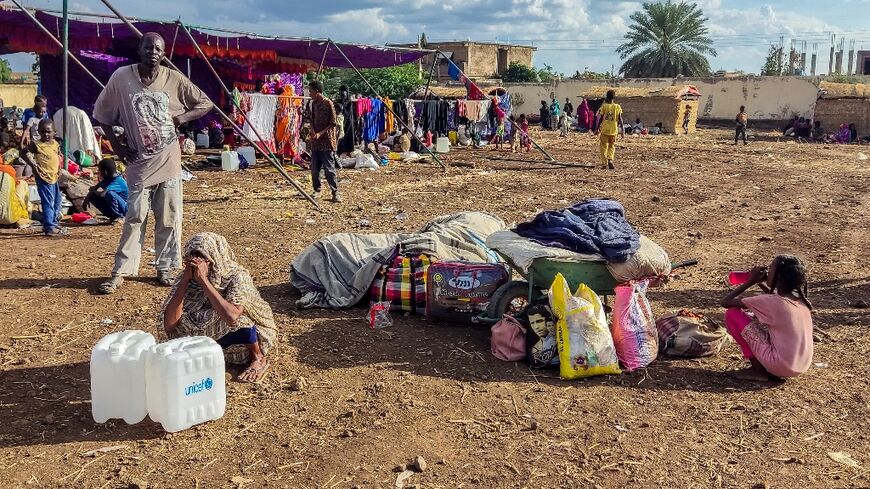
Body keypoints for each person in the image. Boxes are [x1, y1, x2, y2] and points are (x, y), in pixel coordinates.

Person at [93, 32, 213, 294]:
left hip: (168, 161)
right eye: (148, 47)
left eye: (158, 49)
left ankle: (165, 268)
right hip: (138, 162)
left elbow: (205, 103)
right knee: (134, 216)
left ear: (164, 53)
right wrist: (118, 147)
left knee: (169, 217)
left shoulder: (173, 78)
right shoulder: (122, 78)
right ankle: (120, 272)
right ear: (140, 49)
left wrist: (181, 118)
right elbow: (102, 114)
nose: (153, 52)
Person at [161, 232, 277, 382]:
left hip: (249, 333)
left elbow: (232, 316)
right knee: (183, 326)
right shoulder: (187, 277)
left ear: (215, 258)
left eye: (203, 258)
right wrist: (184, 281)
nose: (197, 263)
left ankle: (257, 357)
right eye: (192, 257)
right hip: (212, 334)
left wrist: (204, 281)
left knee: (239, 320)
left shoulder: (237, 276)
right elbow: (170, 324)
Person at [720, 255, 813, 381]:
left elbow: (726, 302)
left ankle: (757, 371)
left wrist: (750, 282)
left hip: (780, 365)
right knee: (754, 317)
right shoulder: (800, 300)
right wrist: (760, 282)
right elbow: (774, 298)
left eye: (770, 269)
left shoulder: (772, 302)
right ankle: (764, 367)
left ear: (778, 277)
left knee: (733, 314)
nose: (767, 272)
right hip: (800, 365)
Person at [20, 119, 67, 236]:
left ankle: (53, 222)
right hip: (43, 177)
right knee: (48, 202)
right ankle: (49, 227)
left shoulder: (55, 143)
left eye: (48, 132)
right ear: (39, 132)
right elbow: (23, 153)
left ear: (54, 132)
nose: (46, 135)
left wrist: (59, 169)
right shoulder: (36, 145)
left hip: (54, 177)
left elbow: (56, 156)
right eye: (43, 132)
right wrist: (33, 165)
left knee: (57, 201)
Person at [307, 80, 341, 203]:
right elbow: (310, 119)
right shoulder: (312, 104)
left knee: (329, 169)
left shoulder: (328, 103)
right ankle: (317, 190)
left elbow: (333, 123)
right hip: (315, 142)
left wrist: (320, 133)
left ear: (317, 91)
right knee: (314, 169)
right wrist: (312, 130)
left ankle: (335, 192)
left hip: (326, 142)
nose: (309, 93)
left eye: (310, 91)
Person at [84, 158, 128, 222]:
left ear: (105, 172)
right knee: (92, 196)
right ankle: (112, 215)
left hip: (126, 208)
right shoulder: (107, 179)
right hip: (116, 206)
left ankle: (119, 216)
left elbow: (102, 194)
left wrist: (93, 191)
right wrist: (85, 202)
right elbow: (94, 188)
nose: (99, 172)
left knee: (109, 194)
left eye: (100, 170)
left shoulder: (118, 181)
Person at [594, 89, 623, 170]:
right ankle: (610, 159)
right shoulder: (617, 107)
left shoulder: (604, 106)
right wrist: (622, 130)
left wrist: (597, 129)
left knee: (603, 147)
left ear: (607, 97)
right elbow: (620, 119)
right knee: (611, 146)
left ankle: (604, 163)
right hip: (614, 130)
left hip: (605, 130)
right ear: (614, 97)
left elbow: (600, 119)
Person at [335, 85, 356, 155]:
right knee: (340, 135)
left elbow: (347, 112)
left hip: (348, 122)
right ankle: (340, 151)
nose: (342, 94)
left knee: (347, 135)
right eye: (340, 93)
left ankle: (347, 152)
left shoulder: (349, 102)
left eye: (343, 93)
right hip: (341, 121)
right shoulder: (339, 101)